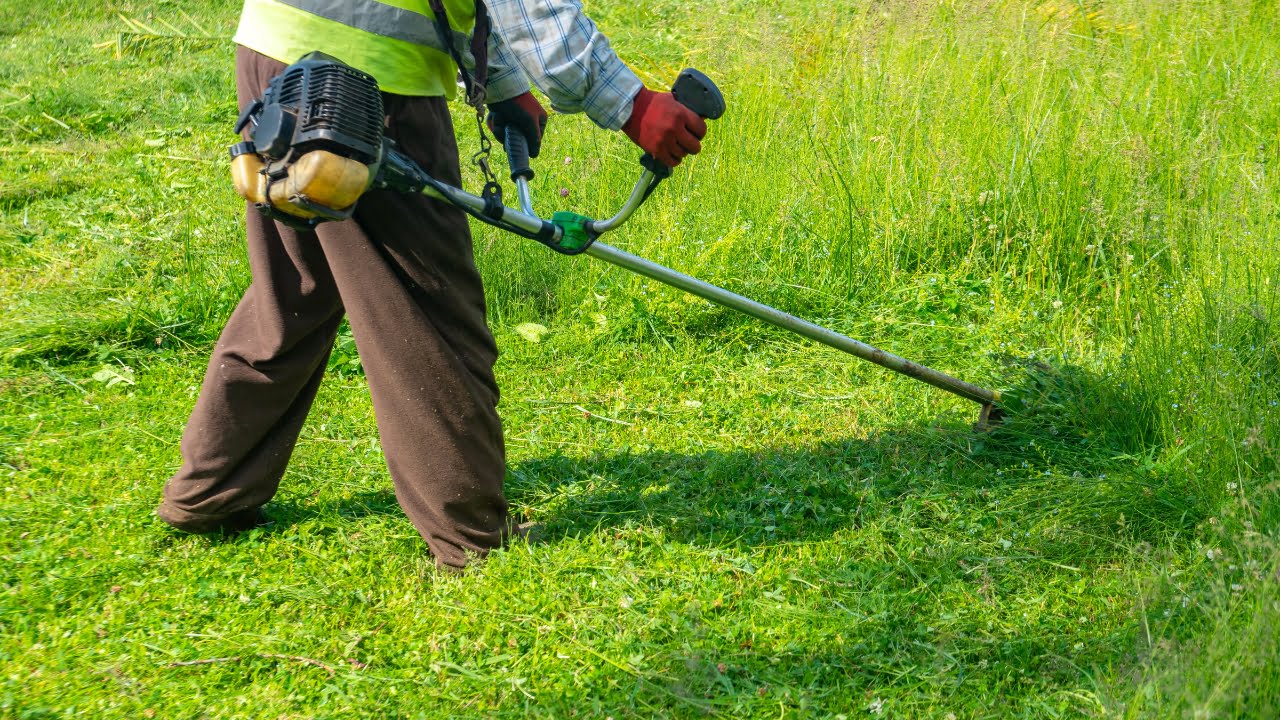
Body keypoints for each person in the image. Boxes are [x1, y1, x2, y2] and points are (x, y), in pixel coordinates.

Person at [155, 0, 709, 570]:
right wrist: (632, 104)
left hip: (276, 51)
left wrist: (499, 80)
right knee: (428, 310)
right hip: (366, 81)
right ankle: (469, 536)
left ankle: (210, 491)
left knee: (296, 289)